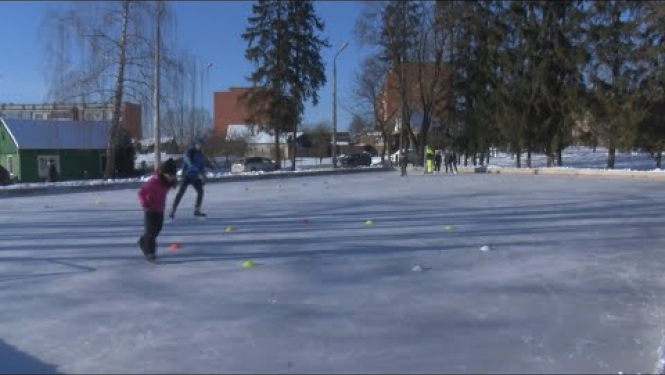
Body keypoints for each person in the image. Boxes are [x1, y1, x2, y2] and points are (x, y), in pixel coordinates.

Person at [137, 158, 178, 262]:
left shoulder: (166, 182)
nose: (171, 178)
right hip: (150, 209)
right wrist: (144, 203)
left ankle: (143, 241)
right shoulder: (154, 182)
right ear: (164, 174)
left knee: (157, 229)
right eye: (170, 176)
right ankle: (150, 253)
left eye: (173, 176)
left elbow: (171, 184)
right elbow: (141, 192)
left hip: (160, 209)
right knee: (151, 232)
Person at [170, 137, 207, 219]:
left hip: (195, 177)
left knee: (200, 191)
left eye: (201, 145)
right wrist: (196, 169)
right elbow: (188, 161)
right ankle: (173, 209)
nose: (200, 146)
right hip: (186, 175)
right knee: (181, 192)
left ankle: (197, 210)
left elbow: (201, 166)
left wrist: (203, 175)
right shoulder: (189, 151)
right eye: (199, 144)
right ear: (195, 144)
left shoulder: (200, 154)